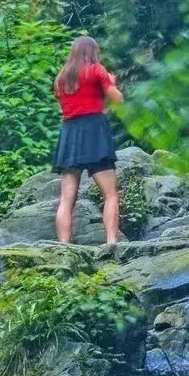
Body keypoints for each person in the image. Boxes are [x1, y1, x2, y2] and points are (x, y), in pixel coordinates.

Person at [52, 36, 124, 244]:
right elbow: (117, 98)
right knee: (110, 194)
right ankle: (111, 242)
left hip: (70, 134)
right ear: (93, 52)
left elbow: (66, 107)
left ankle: (64, 246)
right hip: (94, 132)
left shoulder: (61, 78)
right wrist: (112, 83)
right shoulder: (96, 69)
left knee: (66, 199)